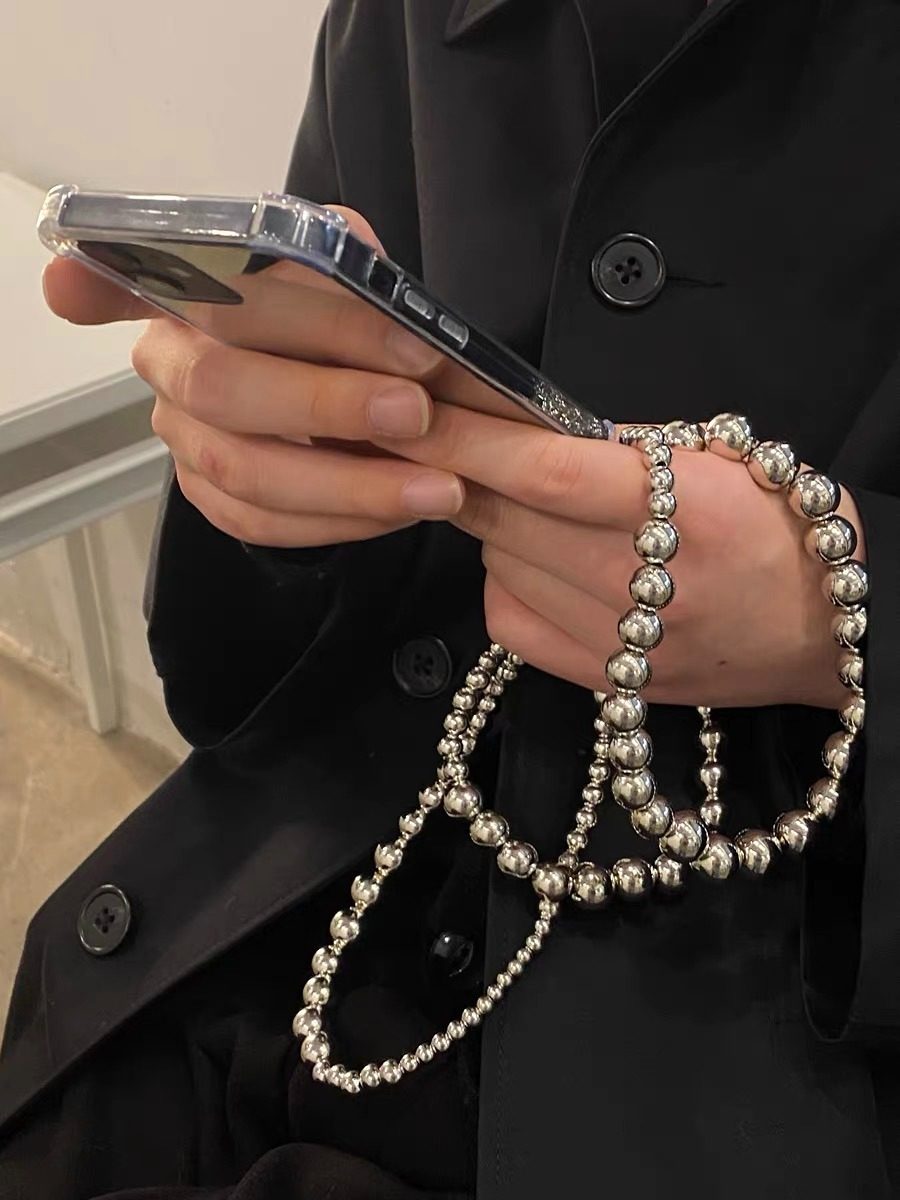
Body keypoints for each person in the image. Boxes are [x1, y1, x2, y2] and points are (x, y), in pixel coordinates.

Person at [2, 0, 899, 1196]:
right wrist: (266, 482)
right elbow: (241, 685)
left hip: (752, 1056)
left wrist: (845, 614)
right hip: (281, 935)